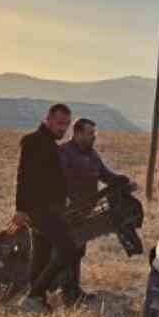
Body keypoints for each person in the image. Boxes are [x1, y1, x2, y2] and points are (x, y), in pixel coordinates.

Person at [14, 103, 83, 312]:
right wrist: (20, 209)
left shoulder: (50, 144)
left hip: (51, 209)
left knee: (41, 255)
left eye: (66, 124)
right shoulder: (33, 142)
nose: (63, 128)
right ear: (48, 119)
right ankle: (34, 295)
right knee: (69, 248)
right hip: (40, 210)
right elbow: (23, 177)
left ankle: (36, 300)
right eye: (59, 123)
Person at [56, 118, 127, 298]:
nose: (94, 137)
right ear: (77, 133)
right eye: (90, 133)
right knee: (67, 250)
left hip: (84, 212)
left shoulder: (92, 155)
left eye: (94, 133)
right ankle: (66, 291)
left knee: (78, 250)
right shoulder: (64, 152)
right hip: (66, 213)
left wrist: (123, 181)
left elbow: (106, 175)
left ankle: (73, 289)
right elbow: (57, 180)